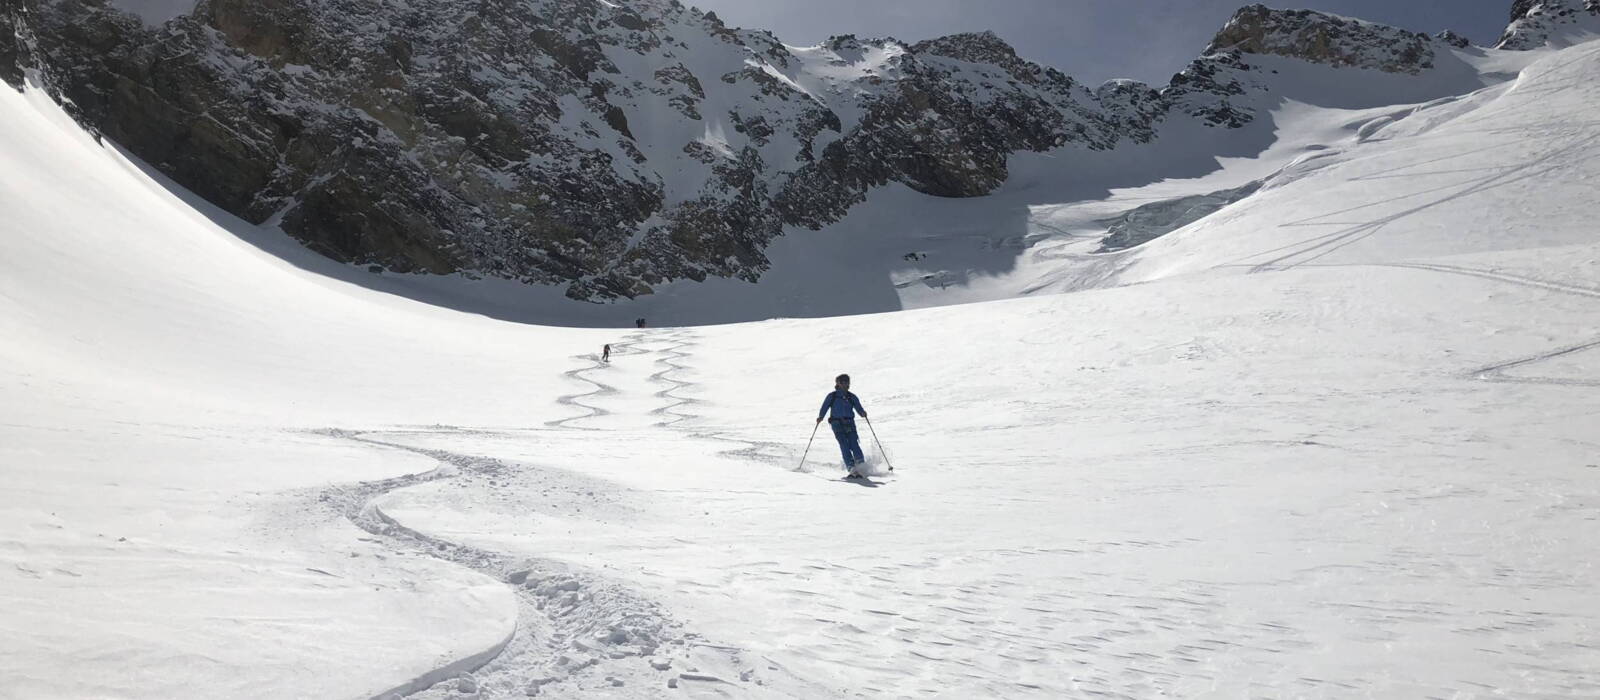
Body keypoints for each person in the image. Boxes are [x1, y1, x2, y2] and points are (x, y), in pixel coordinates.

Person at [816, 373, 868, 478]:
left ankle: (861, 465)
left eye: (847, 382)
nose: (846, 384)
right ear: (838, 383)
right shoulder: (832, 396)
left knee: (854, 443)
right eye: (843, 382)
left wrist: (862, 413)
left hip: (850, 423)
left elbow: (858, 408)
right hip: (836, 424)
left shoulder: (851, 396)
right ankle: (851, 467)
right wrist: (821, 416)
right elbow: (825, 407)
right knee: (844, 444)